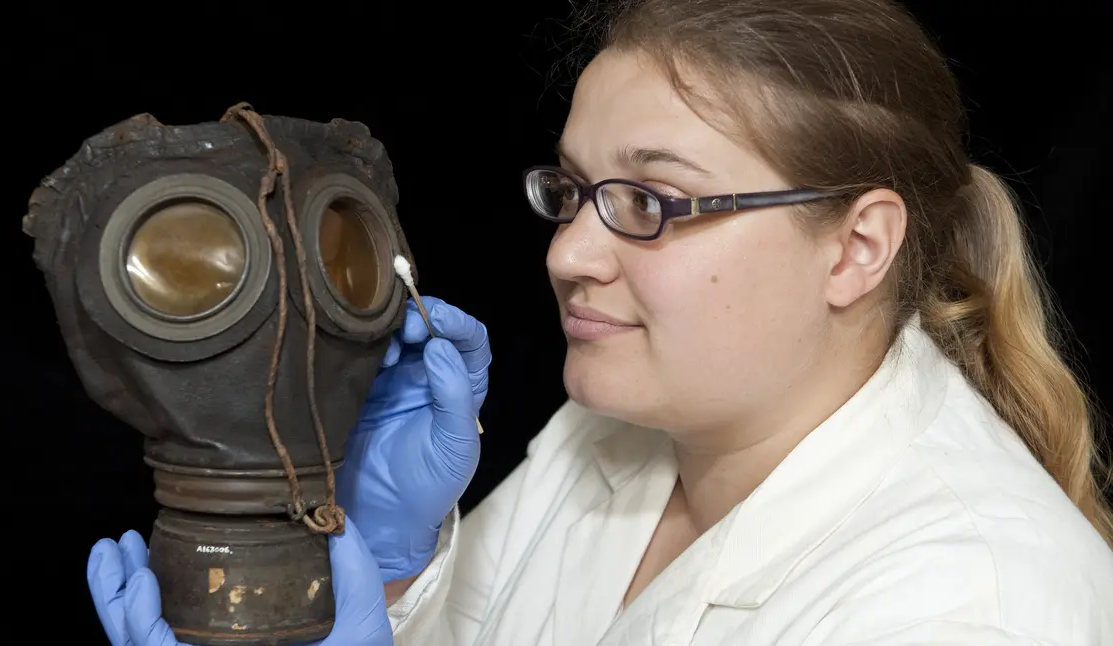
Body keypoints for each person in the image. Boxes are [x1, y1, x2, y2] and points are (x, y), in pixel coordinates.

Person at [87, 0, 1113, 644]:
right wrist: (398, 569)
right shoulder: (623, 431)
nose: (568, 252)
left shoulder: (971, 608)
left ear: (855, 248)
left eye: (652, 202)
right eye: (575, 190)